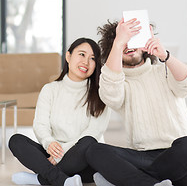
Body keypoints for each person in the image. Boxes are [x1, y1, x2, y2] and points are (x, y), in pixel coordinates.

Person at [85, 19, 187, 186]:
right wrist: (118, 43)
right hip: (144, 157)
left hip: (182, 157)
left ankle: (125, 180)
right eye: (122, 42)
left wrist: (165, 55)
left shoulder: (163, 70)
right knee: (94, 150)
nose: (128, 45)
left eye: (132, 40)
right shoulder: (117, 82)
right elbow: (111, 95)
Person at [8, 37, 111, 186]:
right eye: (82, 54)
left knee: (88, 142)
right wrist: (49, 143)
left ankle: (40, 179)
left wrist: (62, 151)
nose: (86, 62)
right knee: (16, 140)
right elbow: (40, 125)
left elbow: (93, 132)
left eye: (93, 58)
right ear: (68, 56)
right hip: (52, 154)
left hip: (82, 159)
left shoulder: (100, 94)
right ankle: (63, 181)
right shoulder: (50, 90)